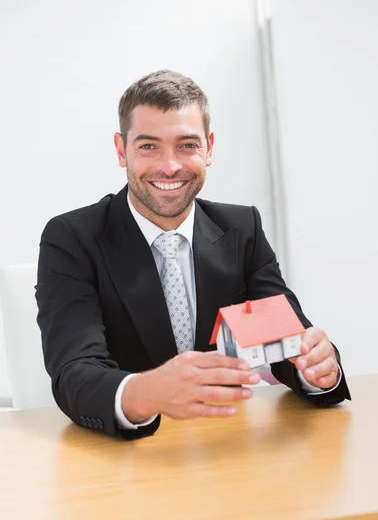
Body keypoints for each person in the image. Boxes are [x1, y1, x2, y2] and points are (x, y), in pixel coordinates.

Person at [35, 70, 350, 440]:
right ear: (122, 151)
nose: (170, 166)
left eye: (187, 145)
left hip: (230, 445)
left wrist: (317, 370)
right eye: (148, 146)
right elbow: (75, 372)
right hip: (131, 459)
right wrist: (148, 392)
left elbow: (287, 342)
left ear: (209, 148)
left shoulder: (241, 228)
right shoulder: (72, 238)